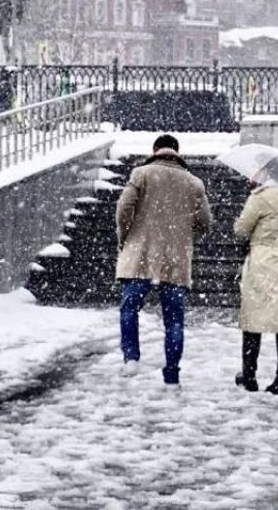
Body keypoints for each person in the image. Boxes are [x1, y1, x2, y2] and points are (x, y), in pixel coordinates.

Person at [115, 134, 213, 386]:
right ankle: (171, 373)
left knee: (129, 308)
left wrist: (125, 236)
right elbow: (205, 222)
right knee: (174, 320)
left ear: (155, 150)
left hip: (141, 254)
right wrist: (181, 227)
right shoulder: (194, 182)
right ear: (177, 152)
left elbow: (124, 209)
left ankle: (131, 358)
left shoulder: (141, 174)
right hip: (175, 258)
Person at [232, 158, 278, 397]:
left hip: (262, 259)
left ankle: (249, 376)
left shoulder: (259, 197)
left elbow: (241, 230)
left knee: (254, 317)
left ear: (265, 173)